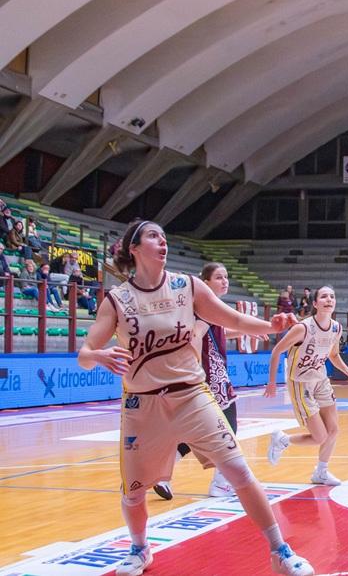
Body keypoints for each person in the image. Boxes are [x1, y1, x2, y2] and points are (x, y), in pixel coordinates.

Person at [75, 219, 313, 576]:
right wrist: (98, 356)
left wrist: (271, 326)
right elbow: (85, 352)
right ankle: (140, 550)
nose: (162, 241)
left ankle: (280, 551)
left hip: (191, 396)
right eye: (153, 236)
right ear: (135, 249)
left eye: (164, 236)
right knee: (134, 493)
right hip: (143, 406)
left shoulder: (187, 286)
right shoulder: (117, 300)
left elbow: (231, 318)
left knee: (240, 472)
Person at [153, 263, 253, 500]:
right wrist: (196, 368)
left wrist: (244, 332)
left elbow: (218, 331)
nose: (225, 281)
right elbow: (197, 335)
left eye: (226, 277)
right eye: (219, 277)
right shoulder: (206, 308)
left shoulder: (207, 309)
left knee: (193, 432)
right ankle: (220, 483)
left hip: (207, 376)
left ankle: (161, 475)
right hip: (212, 377)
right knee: (229, 429)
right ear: (205, 283)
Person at [265, 286, 348, 485]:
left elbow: (333, 355)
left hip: (321, 380)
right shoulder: (303, 328)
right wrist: (272, 382)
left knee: (333, 431)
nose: (329, 299)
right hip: (301, 383)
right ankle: (282, 440)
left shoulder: (336, 327)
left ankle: (321, 472)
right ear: (315, 304)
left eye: (332, 296)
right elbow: (276, 352)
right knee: (320, 436)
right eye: (324, 296)